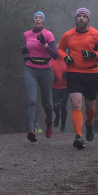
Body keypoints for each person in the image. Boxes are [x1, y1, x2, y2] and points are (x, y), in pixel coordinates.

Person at [57, 8, 98, 150]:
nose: (81, 18)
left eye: (83, 16)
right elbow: (60, 49)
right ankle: (78, 136)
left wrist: (93, 55)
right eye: (78, 16)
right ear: (75, 19)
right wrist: (65, 57)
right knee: (75, 104)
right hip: (73, 73)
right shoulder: (68, 35)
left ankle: (89, 125)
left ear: (88, 20)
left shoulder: (95, 34)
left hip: (92, 74)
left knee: (90, 108)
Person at [21, 11, 58, 142]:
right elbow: (29, 47)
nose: (37, 19)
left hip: (46, 71)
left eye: (40, 18)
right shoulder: (27, 34)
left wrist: (45, 43)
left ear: (43, 21)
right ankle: (31, 130)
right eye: (35, 17)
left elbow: (55, 55)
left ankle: (49, 123)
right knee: (32, 100)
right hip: (30, 69)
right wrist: (24, 49)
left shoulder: (48, 34)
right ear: (33, 20)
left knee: (46, 103)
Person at [51, 47, 69, 132]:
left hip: (65, 87)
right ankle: (57, 116)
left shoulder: (67, 59)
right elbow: (47, 71)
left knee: (63, 106)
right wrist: (51, 78)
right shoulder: (51, 60)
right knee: (56, 106)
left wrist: (68, 75)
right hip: (55, 87)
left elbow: (73, 71)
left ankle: (63, 126)